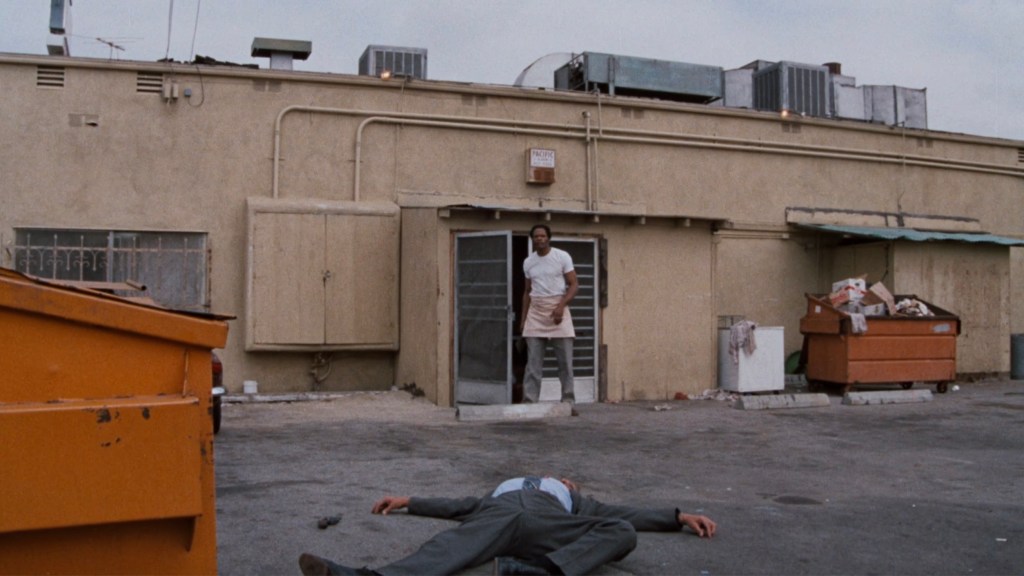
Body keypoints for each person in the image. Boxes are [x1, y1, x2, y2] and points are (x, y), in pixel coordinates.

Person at [298, 475, 716, 576]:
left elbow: (624, 516)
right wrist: (410, 500)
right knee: (447, 548)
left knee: (620, 534)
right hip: (496, 517)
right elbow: (459, 505)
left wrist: (677, 516)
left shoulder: (572, 498)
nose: (564, 477)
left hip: (551, 525)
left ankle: (540, 572)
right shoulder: (500, 489)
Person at [519, 224, 579, 404]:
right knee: (533, 365)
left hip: (558, 309)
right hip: (536, 311)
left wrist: (561, 306)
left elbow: (574, 285)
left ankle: (568, 402)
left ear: (548, 238)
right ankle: (529, 402)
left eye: (543, 236)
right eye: (536, 236)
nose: (539, 239)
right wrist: (523, 320)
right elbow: (527, 291)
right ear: (532, 239)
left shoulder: (562, 257)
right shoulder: (528, 262)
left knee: (565, 364)